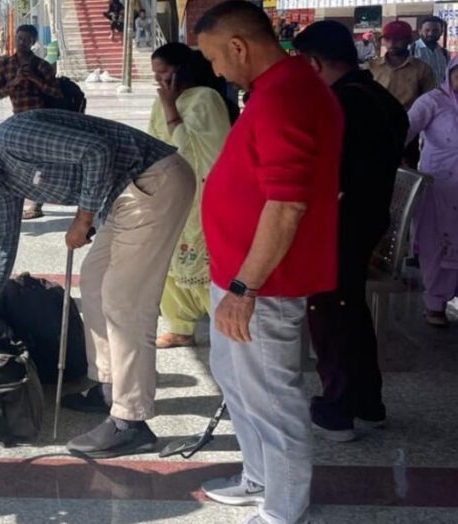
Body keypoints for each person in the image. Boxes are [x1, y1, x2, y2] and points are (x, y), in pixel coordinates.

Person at [0, 112, 195, 457]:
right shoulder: (0, 182)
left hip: (153, 181)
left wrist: (83, 218)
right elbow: (3, 244)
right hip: (124, 194)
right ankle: (110, 386)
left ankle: (131, 422)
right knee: (94, 281)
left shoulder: (14, 137)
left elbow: (96, 151)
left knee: (124, 301)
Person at [195, 3, 343, 523]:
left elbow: (286, 205)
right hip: (239, 275)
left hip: (262, 284)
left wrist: (244, 288)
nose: (216, 70)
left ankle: (283, 508)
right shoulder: (273, 88)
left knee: (273, 399)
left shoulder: (287, 95)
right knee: (237, 382)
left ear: (238, 47)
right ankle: (259, 476)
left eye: (214, 58)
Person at [293, 21, 409, 443]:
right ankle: (367, 403)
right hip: (367, 219)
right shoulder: (381, 97)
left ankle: (337, 410)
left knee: (331, 313)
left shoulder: (338, 104)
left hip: (341, 223)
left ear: (313, 63)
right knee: (351, 311)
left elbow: (324, 170)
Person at [147, 43, 234, 349]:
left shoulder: (205, 99)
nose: (160, 80)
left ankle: (225, 329)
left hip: (201, 194)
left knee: (203, 264)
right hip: (168, 193)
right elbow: (154, 143)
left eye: (164, 72)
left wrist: (171, 108)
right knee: (168, 263)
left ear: (182, 70)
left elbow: (196, 152)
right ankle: (180, 326)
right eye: (155, 75)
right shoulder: (160, 102)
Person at [407, 56, 458, 327]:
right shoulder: (432, 102)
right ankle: (435, 303)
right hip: (439, 187)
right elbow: (404, 131)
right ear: (450, 75)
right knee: (436, 244)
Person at [0, 24, 64, 220]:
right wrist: (14, 82)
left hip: (40, 120)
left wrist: (35, 79)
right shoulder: (5, 64)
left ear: (33, 42)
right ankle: (19, 198)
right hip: (18, 119)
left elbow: (57, 93)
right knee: (17, 162)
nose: (22, 42)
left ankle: (36, 204)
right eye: (19, 38)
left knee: (38, 163)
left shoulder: (42, 66)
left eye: (26, 39)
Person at [369, 20, 437, 168]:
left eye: (398, 39)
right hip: (376, 129)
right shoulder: (371, 67)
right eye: (388, 39)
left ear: (409, 40)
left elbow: (430, 103)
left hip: (408, 130)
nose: (392, 43)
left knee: (405, 174)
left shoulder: (422, 69)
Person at [412, 16, 450, 83]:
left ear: (441, 32)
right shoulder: (411, 50)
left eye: (435, 31)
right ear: (420, 31)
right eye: (427, 30)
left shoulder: (444, 53)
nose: (431, 34)